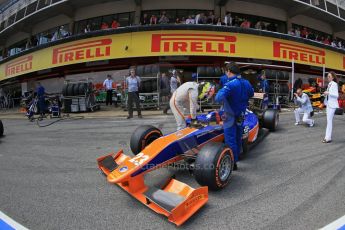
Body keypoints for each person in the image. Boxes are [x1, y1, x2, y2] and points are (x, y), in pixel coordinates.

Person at [215, 62, 254, 170]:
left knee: (230, 140)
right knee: (238, 137)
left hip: (230, 116)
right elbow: (251, 94)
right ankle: (237, 155)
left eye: (226, 71)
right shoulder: (246, 82)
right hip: (241, 114)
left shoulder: (230, 84)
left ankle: (233, 163)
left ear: (228, 71)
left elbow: (218, 98)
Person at [322, 71, 339, 143]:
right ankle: (327, 137)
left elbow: (336, 95)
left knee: (329, 121)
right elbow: (330, 94)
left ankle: (328, 138)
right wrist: (325, 95)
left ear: (333, 77)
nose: (328, 78)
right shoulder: (329, 84)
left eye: (329, 76)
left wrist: (328, 93)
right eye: (327, 76)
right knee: (329, 121)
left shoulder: (334, 84)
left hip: (332, 105)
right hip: (328, 104)